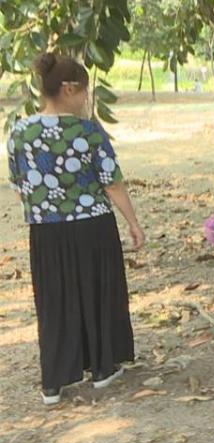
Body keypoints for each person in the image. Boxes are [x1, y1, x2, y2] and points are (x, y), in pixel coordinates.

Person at [7, 53, 145, 405]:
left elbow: (19, 181)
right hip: (92, 227)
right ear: (68, 89)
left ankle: (53, 382)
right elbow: (111, 183)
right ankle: (102, 368)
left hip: (46, 233)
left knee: (54, 301)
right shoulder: (87, 131)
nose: (86, 98)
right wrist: (133, 223)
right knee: (97, 293)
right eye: (84, 91)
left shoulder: (20, 131)